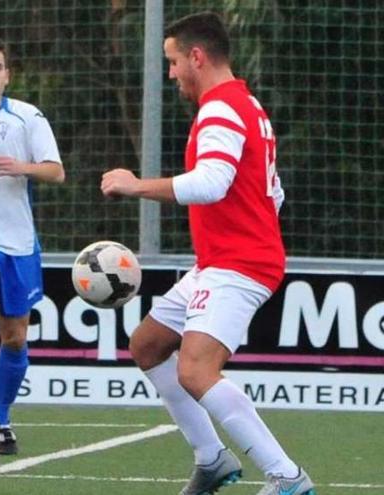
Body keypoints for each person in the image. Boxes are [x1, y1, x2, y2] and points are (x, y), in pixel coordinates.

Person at [100, 12, 315, 495]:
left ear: (196, 57)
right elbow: (270, 191)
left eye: (173, 62)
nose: (171, 73)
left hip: (238, 262)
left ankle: (287, 477)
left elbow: (211, 184)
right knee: (148, 344)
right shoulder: (247, 105)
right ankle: (212, 458)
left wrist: (136, 186)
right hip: (223, 259)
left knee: (196, 369)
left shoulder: (221, 108)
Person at [0, 36, 65, 456]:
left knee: (15, 337)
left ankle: (1, 417)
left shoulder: (26, 117)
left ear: (7, 76)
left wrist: (23, 167)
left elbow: (56, 172)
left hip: (18, 245)